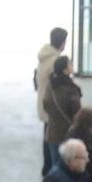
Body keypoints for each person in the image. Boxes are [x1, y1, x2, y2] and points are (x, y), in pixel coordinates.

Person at [35, 24, 69, 170]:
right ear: (62, 42)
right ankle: (50, 166)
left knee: (47, 133)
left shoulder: (45, 56)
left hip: (43, 100)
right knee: (52, 137)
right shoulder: (56, 61)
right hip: (52, 105)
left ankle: (47, 165)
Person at [43, 54, 83, 156]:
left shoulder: (51, 84)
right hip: (67, 135)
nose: (72, 65)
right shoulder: (71, 89)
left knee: (55, 165)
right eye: (70, 64)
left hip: (52, 132)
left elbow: (46, 103)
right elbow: (77, 112)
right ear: (65, 70)